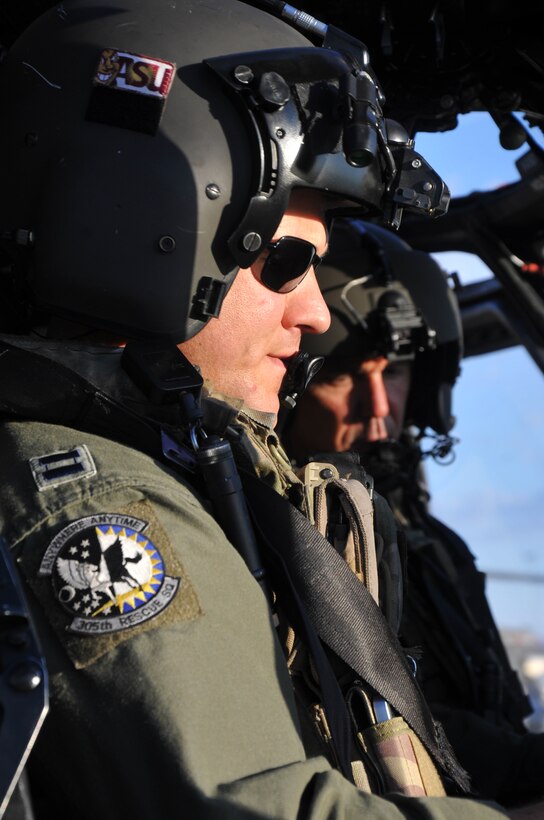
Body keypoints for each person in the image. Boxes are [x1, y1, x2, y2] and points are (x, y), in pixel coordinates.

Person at [0, 0, 520, 816]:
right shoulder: (99, 506)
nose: (316, 314)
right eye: (285, 263)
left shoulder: (189, 471)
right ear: (150, 230)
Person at [285, 217, 544, 809]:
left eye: (395, 372)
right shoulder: (288, 536)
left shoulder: (428, 536)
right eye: (346, 374)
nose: (379, 406)